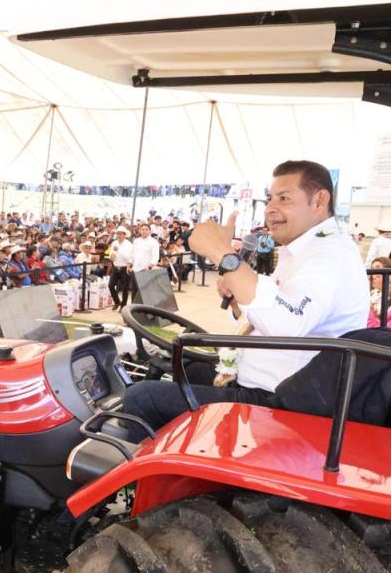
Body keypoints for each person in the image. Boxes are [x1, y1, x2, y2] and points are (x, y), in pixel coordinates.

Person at [122, 160, 370, 432]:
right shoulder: (303, 251)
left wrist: (221, 252)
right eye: (270, 199)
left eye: (284, 198)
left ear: (320, 200)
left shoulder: (329, 256)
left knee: (141, 396)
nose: (271, 209)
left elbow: (286, 324)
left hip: (280, 403)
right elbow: (271, 313)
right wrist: (239, 298)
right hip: (268, 380)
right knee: (186, 363)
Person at [108, 226, 133, 310]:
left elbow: (129, 257)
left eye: (121, 234)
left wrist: (118, 250)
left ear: (125, 235)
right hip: (116, 266)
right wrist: (111, 256)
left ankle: (123, 305)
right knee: (110, 285)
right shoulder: (114, 243)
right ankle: (117, 302)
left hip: (124, 267)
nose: (119, 235)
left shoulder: (129, 244)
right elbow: (111, 254)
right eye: (118, 234)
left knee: (124, 288)